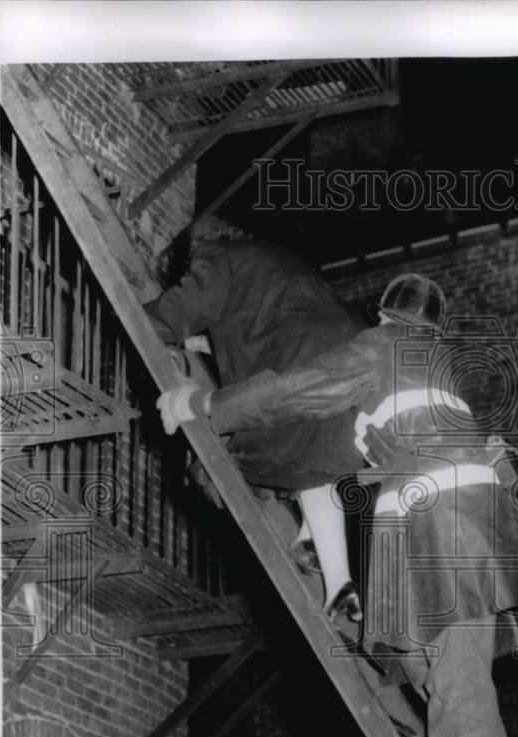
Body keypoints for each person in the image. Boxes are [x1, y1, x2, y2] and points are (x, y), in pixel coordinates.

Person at [157, 273, 518, 737]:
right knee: (432, 673)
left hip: (437, 529)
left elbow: (302, 389)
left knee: (452, 678)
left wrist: (204, 404)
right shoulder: (437, 365)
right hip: (465, 527)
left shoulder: (381, 348)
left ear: (384, 315)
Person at [146, 215, 364, 619]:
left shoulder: (216, 253)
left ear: (200, 246)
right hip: (347, 372)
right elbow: (267, 324)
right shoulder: (276, 260)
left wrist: (147, 320)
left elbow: (188, 305)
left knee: (220, 469)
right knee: (316, 465)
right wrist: (205, 342)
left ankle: (311, 540)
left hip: (296, 369)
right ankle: (337, 578)